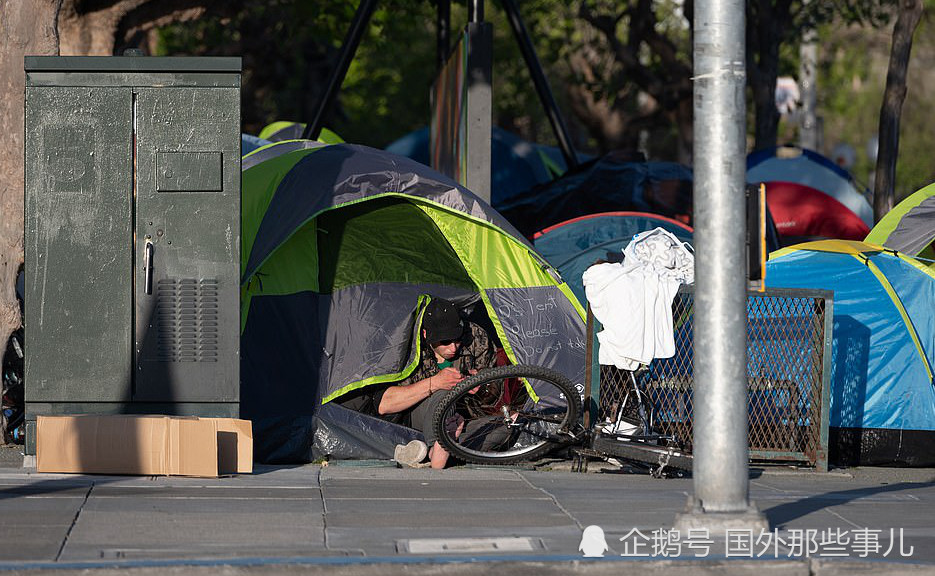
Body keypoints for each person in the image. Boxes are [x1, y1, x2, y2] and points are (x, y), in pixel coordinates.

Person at [341, 297, 498, 468]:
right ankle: (437, 446)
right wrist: (435, 383)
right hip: (418, 419)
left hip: (463, 419)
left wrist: (483, 386)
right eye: (445, 341)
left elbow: (496, 388)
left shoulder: (476, 338)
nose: (453, 348)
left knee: (510, 424)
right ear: (426, 335)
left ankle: (448, 447)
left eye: (457, 339)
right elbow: (384, 405)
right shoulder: (406, 349)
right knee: (445, 395)